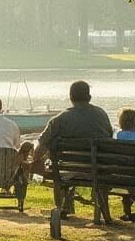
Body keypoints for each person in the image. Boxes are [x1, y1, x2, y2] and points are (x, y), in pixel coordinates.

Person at [32, 80, 113, 216]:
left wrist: (35, 160)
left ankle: (62, 208)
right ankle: (105, 214)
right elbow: (109, 137)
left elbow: (40, 148)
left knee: (57, 167)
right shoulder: (101, 114)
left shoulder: (58, 120)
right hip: (99, 169)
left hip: (69, 170)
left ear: (70, 97)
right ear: (89, 97)